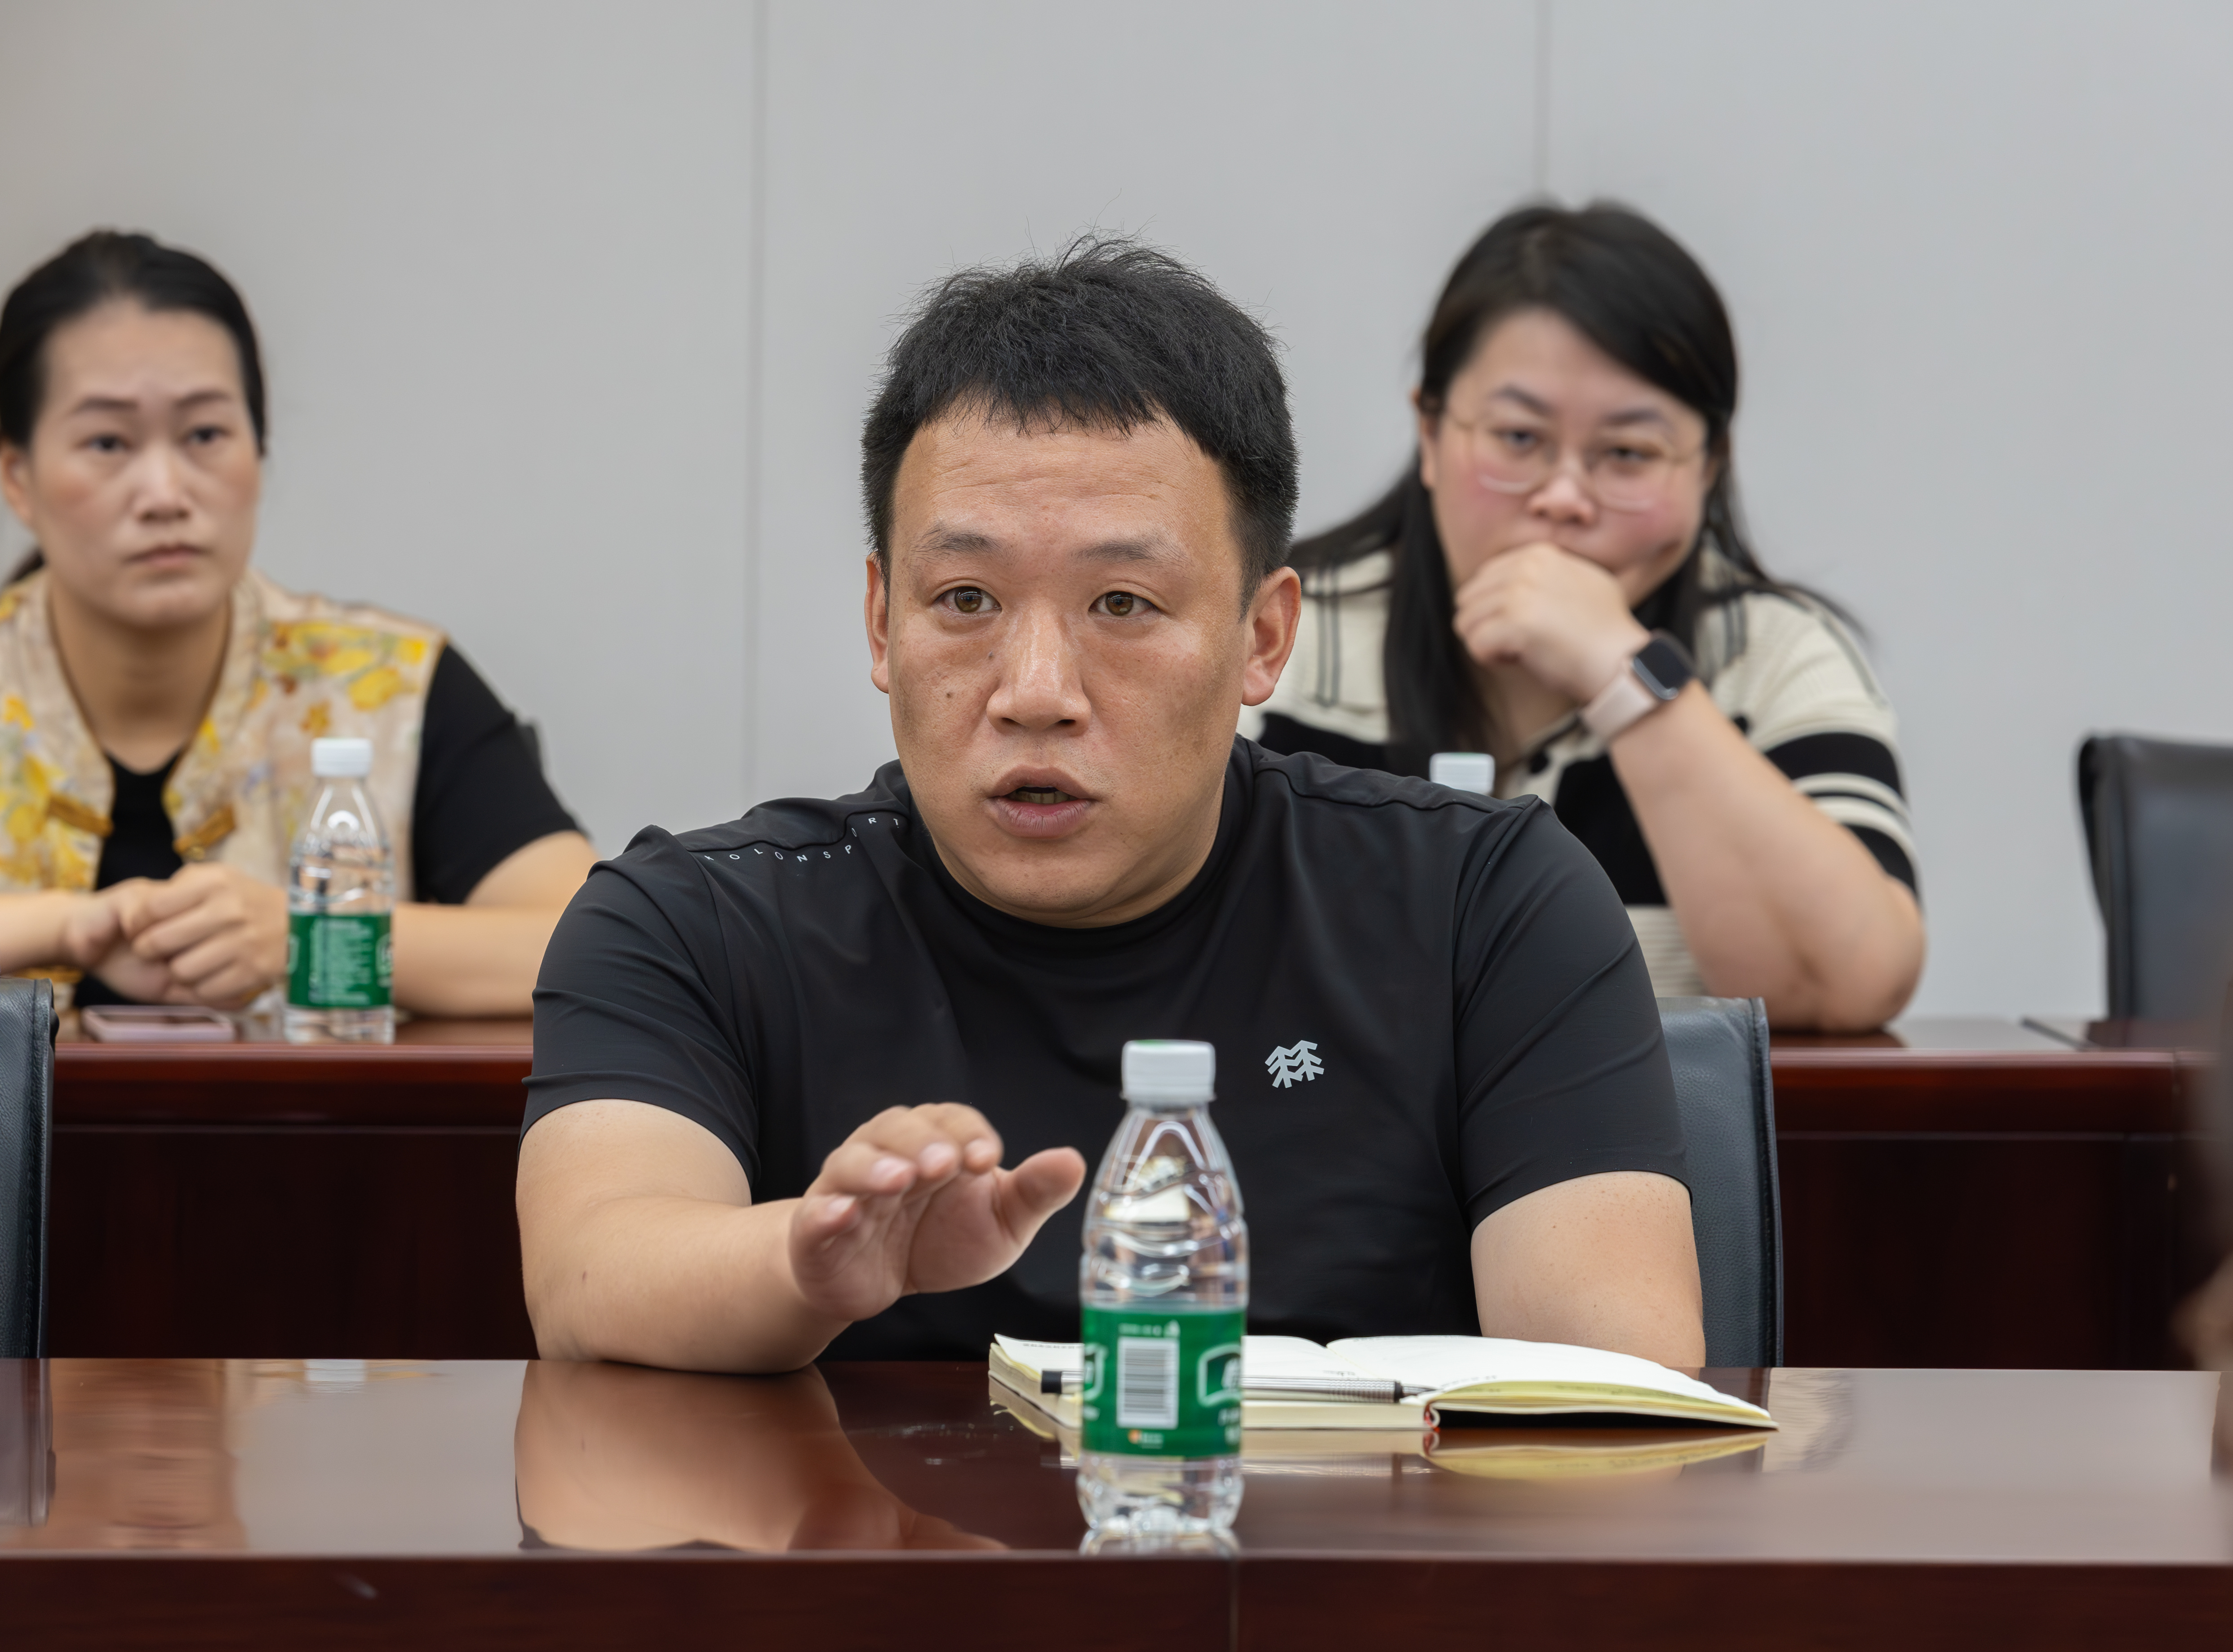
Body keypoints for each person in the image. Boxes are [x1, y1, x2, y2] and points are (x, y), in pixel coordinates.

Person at [519, 236, 1703, 1375]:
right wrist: (807, 1265)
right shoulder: (690, 924)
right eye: (966, 598)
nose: (1036, 692)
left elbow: (1612, 1375)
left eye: (1123, 604)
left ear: (1263, 636)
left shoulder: (1482, 906)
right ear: (881, 622)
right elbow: (590, 1277)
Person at [1253, 205, 1923, 1032]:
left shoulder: (1777, 656)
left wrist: (1625, 678)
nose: (1564, 497)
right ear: (1429, 432)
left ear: (1708, 467)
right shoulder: (1278, 637)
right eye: (1518, 438)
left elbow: (1846, 986)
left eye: (1628, 454)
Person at [0, 231, 598, 1015]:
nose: (164, 493)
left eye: (205, 435)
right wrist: (57, 927)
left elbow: (595, 946)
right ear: (18, 476)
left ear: (259, 449)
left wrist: (308, 933)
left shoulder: (390, 687)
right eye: (108, 442)